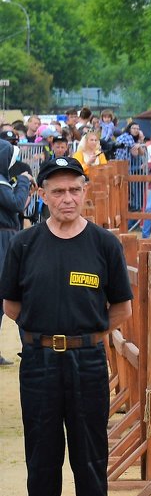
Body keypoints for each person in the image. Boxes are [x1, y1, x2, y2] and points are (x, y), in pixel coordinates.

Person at [0, 156, 133, 496]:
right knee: (42, 466)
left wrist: (81, 337)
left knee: (90, 464)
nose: (67, 199)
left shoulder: (103, 246)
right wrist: (47, 337)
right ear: (41, 195)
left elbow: (121, 309)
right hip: (38, 364)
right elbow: (12, 306)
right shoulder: (24, 245)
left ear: (84, 191)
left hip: (88, 363)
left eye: (74, 189)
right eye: (57, 191)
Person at [0, 138, 32, 365]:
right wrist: (22, 181)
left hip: (8, 237)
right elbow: (17, 204)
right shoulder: (1, 181)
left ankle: (30, 347)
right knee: (20, 291)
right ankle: (31, 349)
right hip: (4, 239)